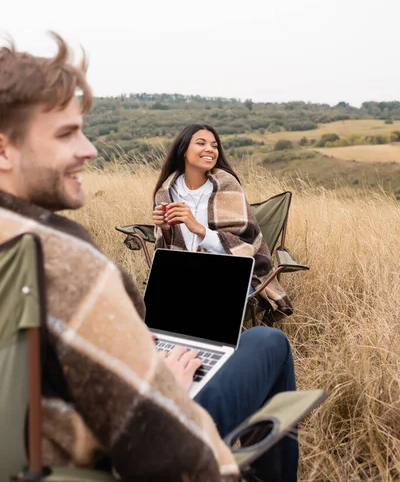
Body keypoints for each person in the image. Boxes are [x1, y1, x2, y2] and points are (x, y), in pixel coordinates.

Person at [0, 34, 297, 482]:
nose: (89, 149)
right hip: (123, 455)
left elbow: (248, 240)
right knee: (268, 344)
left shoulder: (227, 188)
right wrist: (165, 391)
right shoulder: (74, 268)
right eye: (66, 133)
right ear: (4, 149)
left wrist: (200, 231)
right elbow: (169, 457)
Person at [152, 123, 293, 317]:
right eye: (201, 143)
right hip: (181, 273)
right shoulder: (166, 191)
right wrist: (165, 229)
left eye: (214, 145)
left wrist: (199, 229)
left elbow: (245, 247)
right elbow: (167, 251)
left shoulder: (227, 185)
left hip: (229, 274)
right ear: (183, 150)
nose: (210, 149)